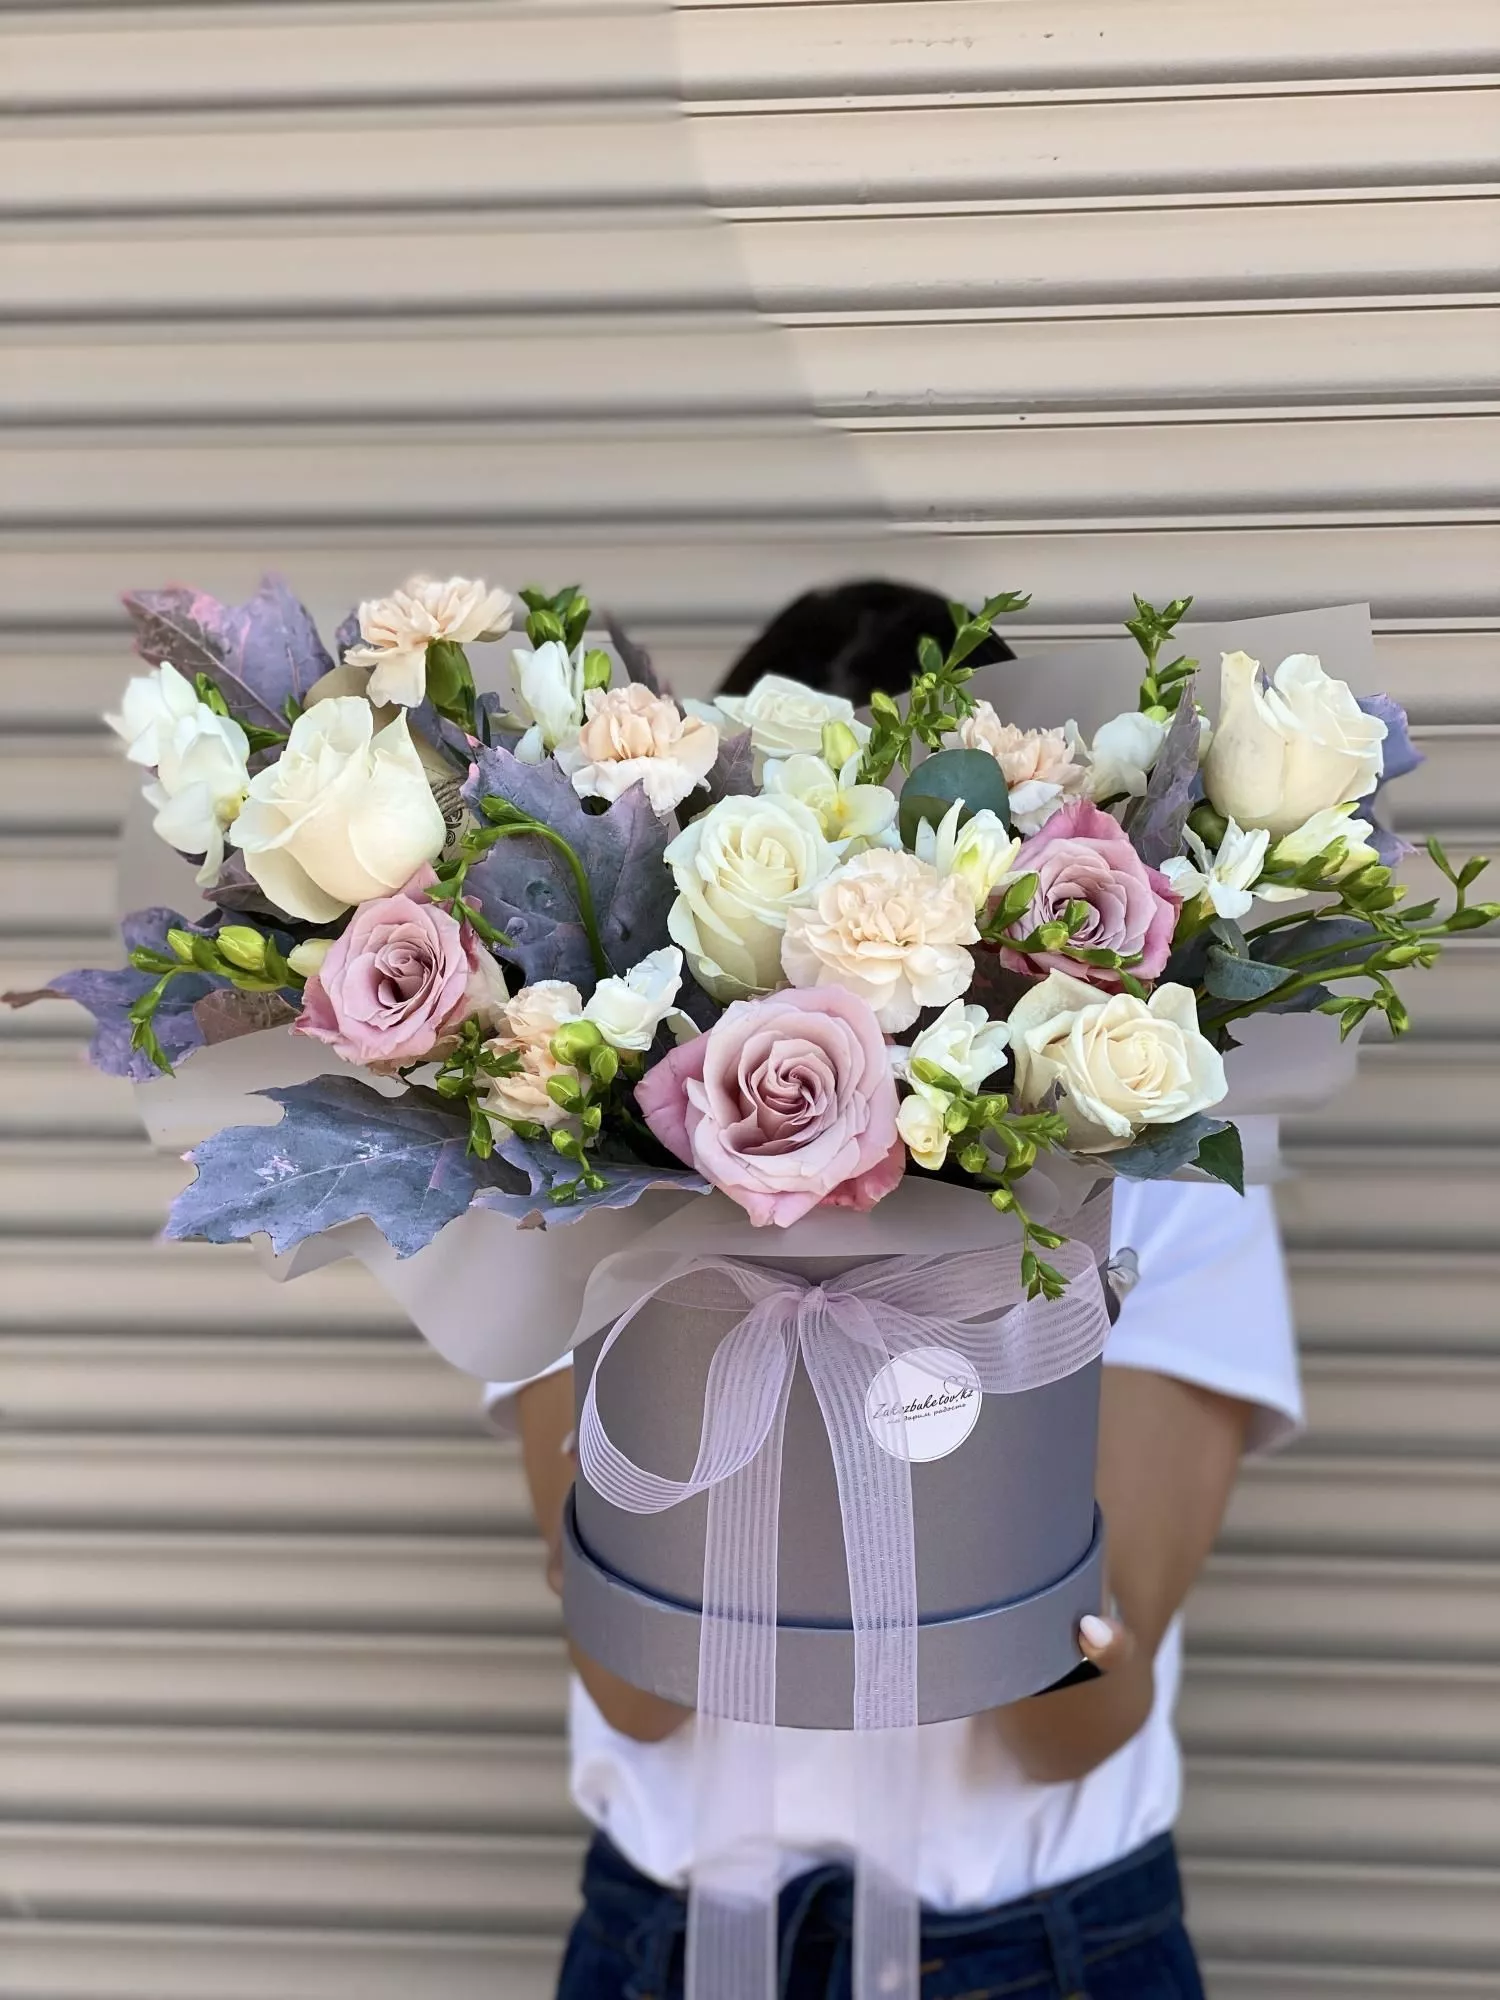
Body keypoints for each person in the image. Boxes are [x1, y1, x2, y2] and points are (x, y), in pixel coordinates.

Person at [490, 581, 1302, 2000]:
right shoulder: (585, 1162)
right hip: (666, 1938)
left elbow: (1072, 1719)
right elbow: (641, 1692)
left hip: (1039, 1949)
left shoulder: (1155, 1150)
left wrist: (950, 1279)